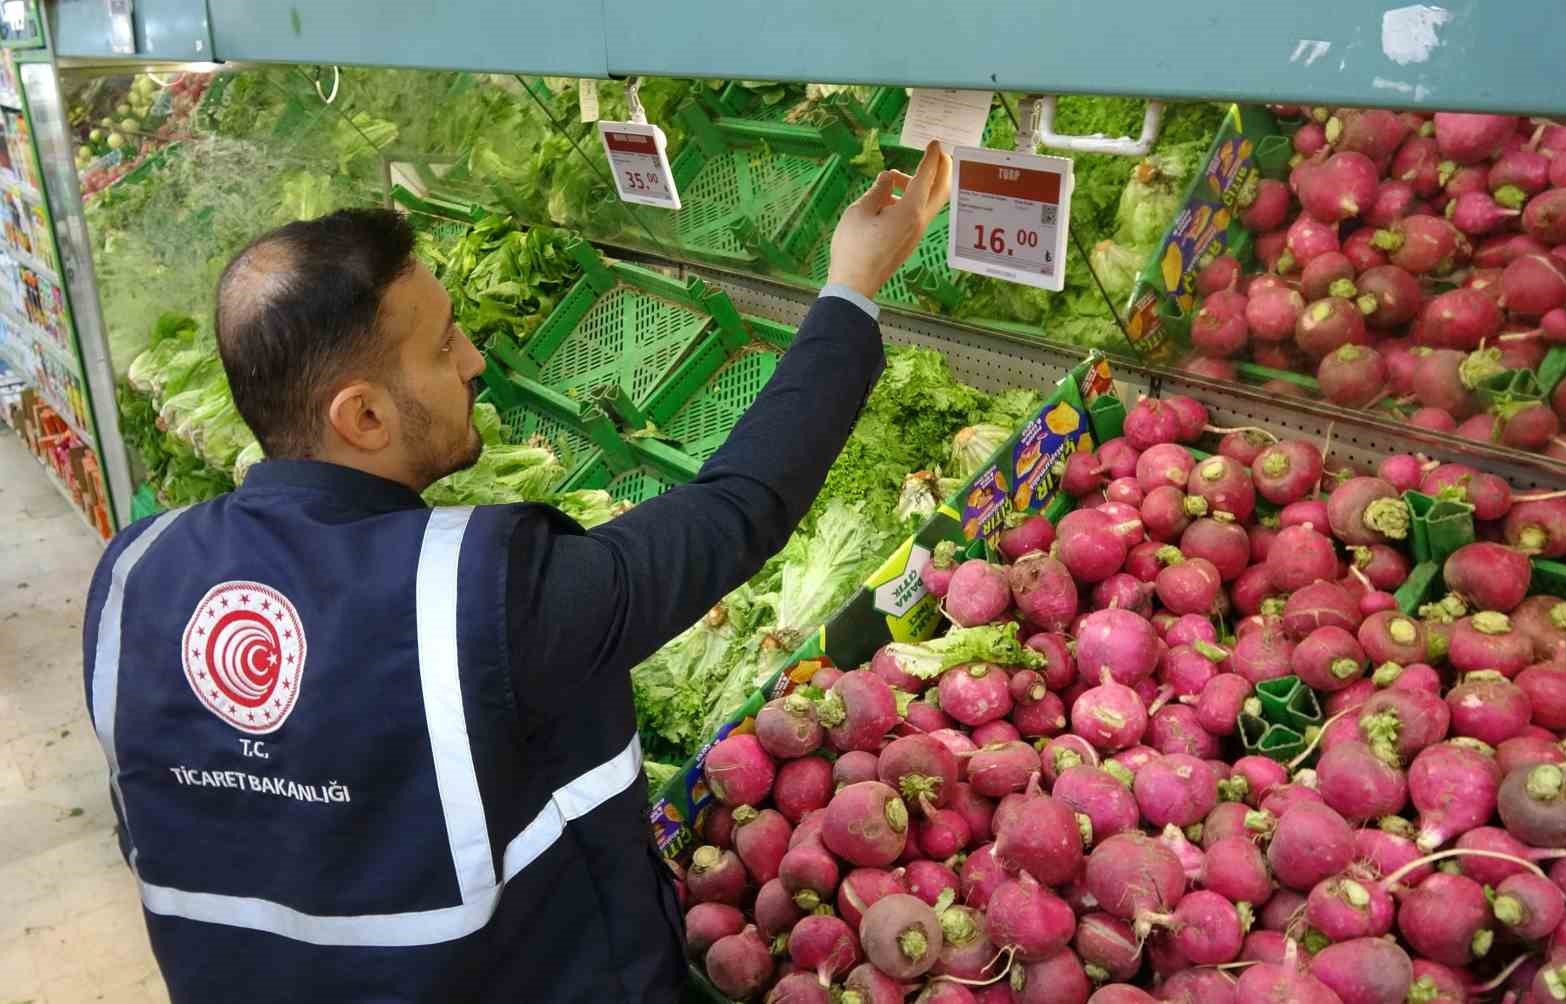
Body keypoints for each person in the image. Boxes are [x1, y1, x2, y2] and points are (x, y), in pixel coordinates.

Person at [82, 141, 952, 1003]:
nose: (472, 360)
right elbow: (736, 510)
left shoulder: (131, 580)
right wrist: (851, 291)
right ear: (365, 415)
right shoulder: (483, 595)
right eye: (442, 344)